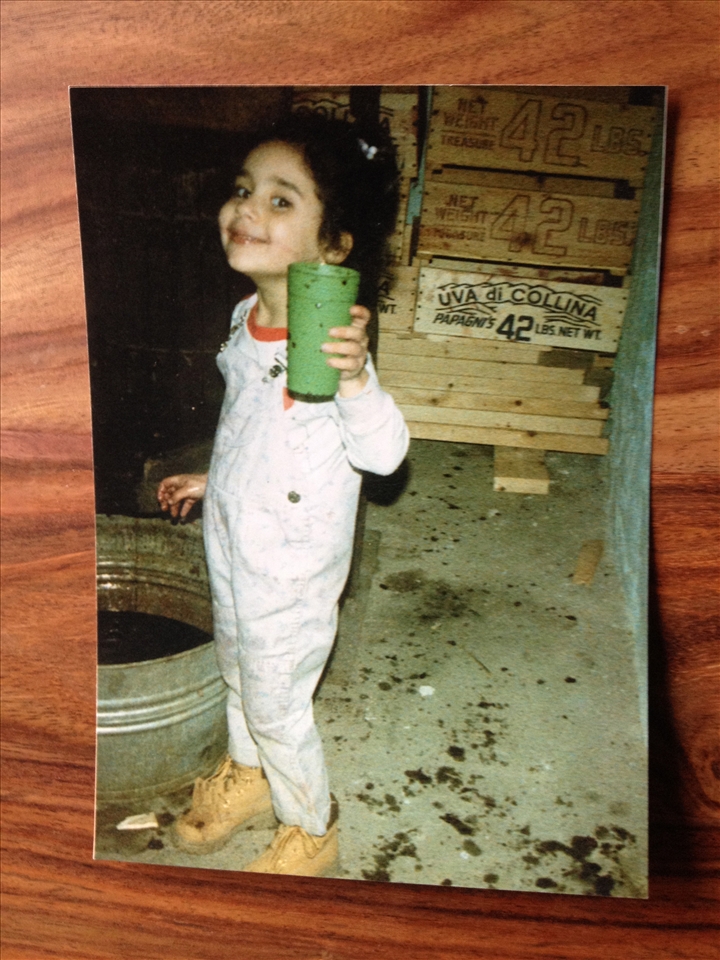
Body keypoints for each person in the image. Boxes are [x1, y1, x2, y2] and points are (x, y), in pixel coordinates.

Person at [157, 113, 409, 877]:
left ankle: (313, 823)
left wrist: (358, 379)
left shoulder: (330, 342)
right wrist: (216, 477)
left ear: (333, 248)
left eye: (280, 201)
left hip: (293, 568)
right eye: (243, 190)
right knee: (237, 665)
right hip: (235, 534)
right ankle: (251, 774)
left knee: (276, 701)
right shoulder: (246, 320)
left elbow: (386, 452)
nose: (246, 209)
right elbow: (251, 422)